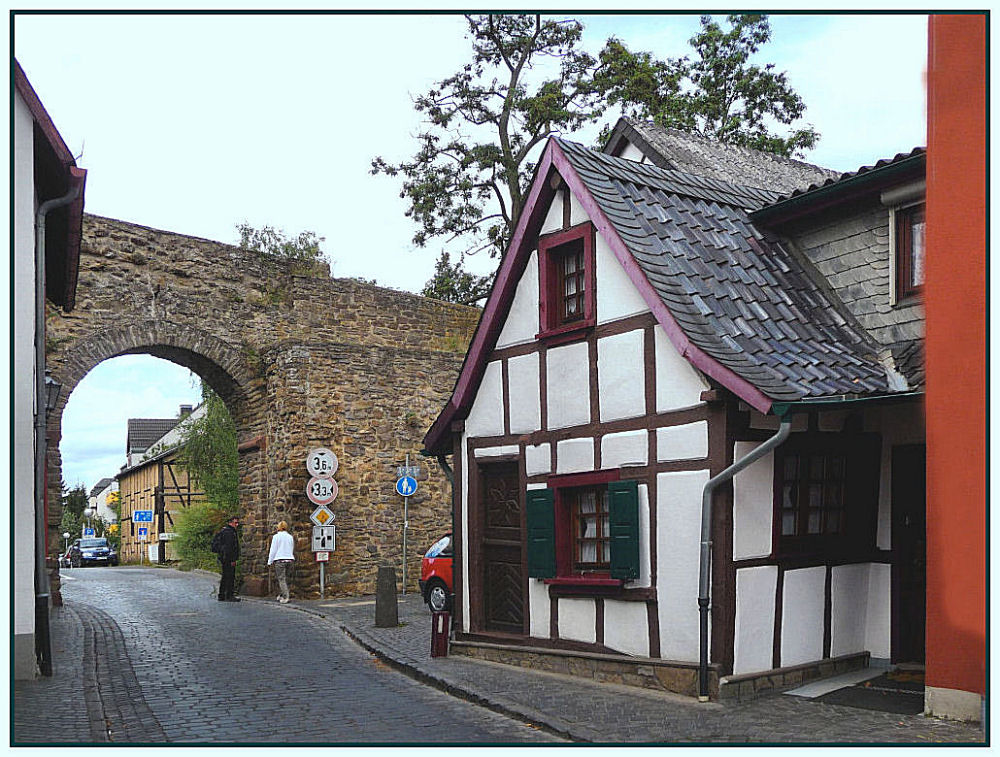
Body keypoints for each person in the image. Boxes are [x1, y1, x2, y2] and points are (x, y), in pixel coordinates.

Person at [267, 520, 295, 603]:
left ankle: (286, 597)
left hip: (280, 560)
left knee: (281, 579)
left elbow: (273, 550)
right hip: (290, 559)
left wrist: (270, 561)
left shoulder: (276, 537)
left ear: (278, 527)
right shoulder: (290, 537)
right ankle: (281, 594)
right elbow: (292, 548)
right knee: (286, 579)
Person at [216, 515, 241, 602]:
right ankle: (229, 595)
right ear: (230, 522)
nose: (237, 524)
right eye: (235, 522)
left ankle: (222, 595)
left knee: (225, 576)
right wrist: (232, 559)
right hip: (228, 558)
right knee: (230, 576)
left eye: (238, 522)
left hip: (224, 557)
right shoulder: (229, 532)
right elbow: (229, 547)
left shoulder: (225, 531)